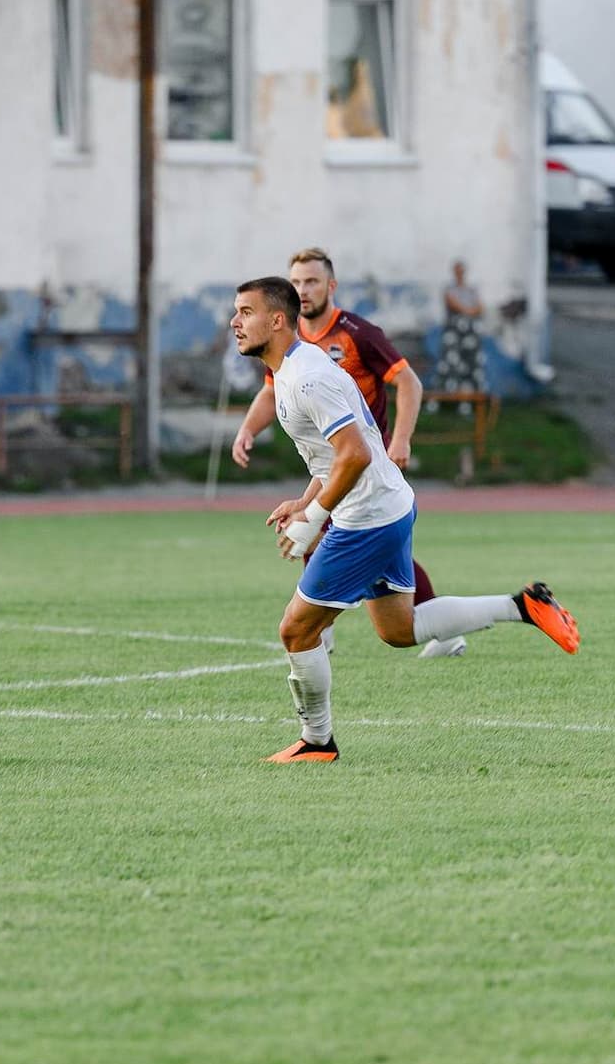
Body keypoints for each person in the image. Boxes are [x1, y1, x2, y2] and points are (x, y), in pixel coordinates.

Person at [228, 277, 579, 763]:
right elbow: (333, 457)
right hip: (387, 506)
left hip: (365, 518)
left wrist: (316, 516)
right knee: (398, 629)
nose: (235, 322)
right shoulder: (292, 372)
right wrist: (305, 501)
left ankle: (317, 741)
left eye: (245, 312)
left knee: (296, 630)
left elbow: (354, 456)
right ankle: (524, 606)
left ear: (277, 320)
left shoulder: (307, 377)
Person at [231, 248, 462, 658]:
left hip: (361, 460)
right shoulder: (287, 345)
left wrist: (401, 439)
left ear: (330, 286)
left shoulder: (356, 333)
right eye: (296, 282)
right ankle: (324, 630)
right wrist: (248, 429)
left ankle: (315, 631)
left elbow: (408, 382)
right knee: (342, 542)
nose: (303, 289)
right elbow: (270, 391)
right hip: (333, 462)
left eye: (312, 281)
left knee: (338, 536)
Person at [432, 258, 487, 409]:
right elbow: (454, 304)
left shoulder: (471, 290)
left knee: (470, 365)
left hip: (470, 336)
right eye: (458, 270)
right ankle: (444, 399)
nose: (460, 273)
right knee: (449, 365)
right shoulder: (449, 289)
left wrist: (469, 311)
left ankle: (468, 401)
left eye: (462, 270)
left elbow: (480, 307)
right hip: (454, 334)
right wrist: (470, 311)